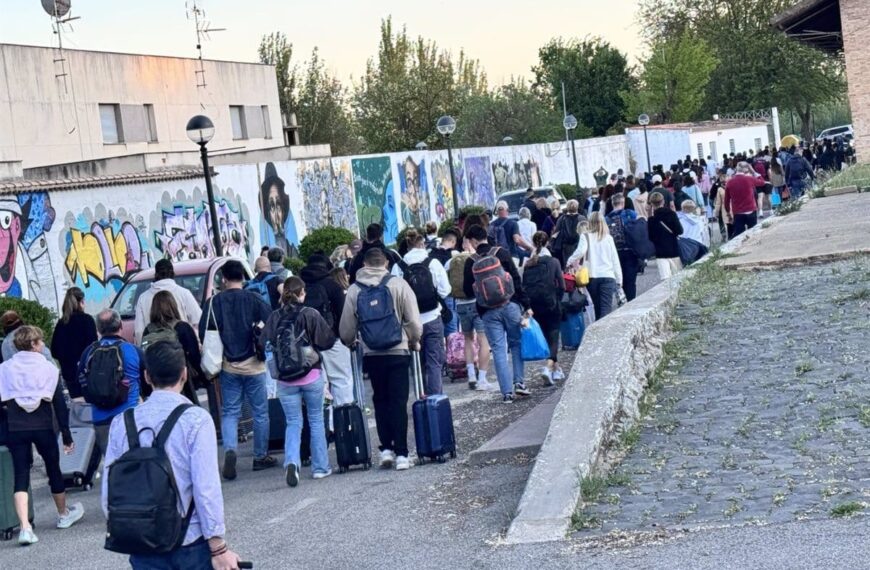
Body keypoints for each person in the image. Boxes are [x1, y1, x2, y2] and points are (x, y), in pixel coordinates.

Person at [102, 339, 242, 569]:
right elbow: (206, 488)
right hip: (189, 540)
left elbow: (110, 487)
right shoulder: (195, 420)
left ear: (147, 377)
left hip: (142, 541)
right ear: (184, 374)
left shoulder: (122, 423)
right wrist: (218, 547)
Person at [0, 326, 84, 545]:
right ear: (34, 344)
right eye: (41, 342)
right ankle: (63, 514)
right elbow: (59, 404)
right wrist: (66, 434)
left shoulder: (5, 368)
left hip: (16, 426)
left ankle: (25, 528)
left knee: (20, 474)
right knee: (53, 468)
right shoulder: (48, 368)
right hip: (43, 425)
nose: (43, 345)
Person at [339, 248, 422, 471]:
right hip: (398, 352)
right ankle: (402, 454)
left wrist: (350, 341)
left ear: (364, 264)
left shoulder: (355, 290)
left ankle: (386, 449)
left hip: (372, 354)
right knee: (398, 402)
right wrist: (414, 340)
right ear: (385, 263)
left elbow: (346, 328)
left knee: (381, 400)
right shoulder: (397, 284)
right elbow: (413, 320)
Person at [199, 260, 277, 480]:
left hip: (227, 366)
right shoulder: (253, 298)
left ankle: (231, 448)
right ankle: (260, 456)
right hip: (254, 364)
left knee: (230, 411)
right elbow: (271, 321)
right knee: (260, 412)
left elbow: (204, 331)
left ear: (223, 279)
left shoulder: (214, 302)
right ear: (243, 277)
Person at [260, 277, 336, 487]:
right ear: (302, 293)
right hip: (310, 375)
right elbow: (326, 340)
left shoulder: (274, 317)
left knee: (293, 423)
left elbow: (262, 343)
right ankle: (320, 468)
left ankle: (292, 461)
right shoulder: (309, 313)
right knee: (316, 420)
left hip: (285, 380)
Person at [462, 224, 531, 403]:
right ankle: (520, 383)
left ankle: (507, 393)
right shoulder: (502, 253)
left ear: (473, 241)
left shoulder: (471, 261)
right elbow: (515, 279)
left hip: (488, 312)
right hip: (510, 306)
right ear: (486, 235)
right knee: (515, 345)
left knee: (499, 350)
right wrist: (526, 304)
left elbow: (467, 290)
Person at [78, 309, 142, 481]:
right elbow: (147, 377)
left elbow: (81, 381)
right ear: (120, 326)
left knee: (113, 465)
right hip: (129, 416)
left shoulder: (88, 352)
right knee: (135, 463)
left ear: (98, 330)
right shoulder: (131, 350)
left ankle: (118, 499)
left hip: (100, 419)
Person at [399, 229, 450, 395]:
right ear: (422, 244)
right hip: (433, 317)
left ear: (407, 246)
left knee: (417, 364)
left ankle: (422, 398)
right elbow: (445, 290)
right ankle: (436, 401)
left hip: (410, 322)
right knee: (434, 362)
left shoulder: (399, 267)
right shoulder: (433, 263)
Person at [300, 254, 354, 406]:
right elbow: (344, 314)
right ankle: (344, 422)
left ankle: (321, 424)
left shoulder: (300, 285)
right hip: (332, 341)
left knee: (316, 384)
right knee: (341, 380)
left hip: (306, 343)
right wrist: (347, 338)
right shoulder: (332, 285)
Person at [449, 228, 493, 391]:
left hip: (460, 304)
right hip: (476, 302)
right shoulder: (474, 259)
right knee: (483, 340)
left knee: (467, 339)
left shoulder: (452, 261)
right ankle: (482, 378)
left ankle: (471, 375)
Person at [143, 291, 206, 406]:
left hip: (156, 380)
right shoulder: (182, 327)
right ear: (173, 306)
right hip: (181, 381)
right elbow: (195, 356)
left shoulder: (148, 330)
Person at [521, 232, 565, 386]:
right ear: (547, 244)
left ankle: (556, 370)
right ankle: (548, 367)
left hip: (534, 305)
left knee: (546, 336)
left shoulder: (528, 264)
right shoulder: (553, 262)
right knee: (554, 336)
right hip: (551, 303)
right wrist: (557, 299)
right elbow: (562, 286)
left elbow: (523, 286)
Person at [134, 258, 203, 345]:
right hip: (181, 349)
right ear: (173, 273)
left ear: (155, 274)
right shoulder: (184, 293)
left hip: (155, 351)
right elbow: (199, 320)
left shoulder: (143, 298)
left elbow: (139, 331)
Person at [568, 212, 622, 319]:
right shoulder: (608, 238)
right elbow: (615, 260)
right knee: (606, 309)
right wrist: (619, 280)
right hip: (608, 276)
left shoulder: (586, 236)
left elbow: (581, 251)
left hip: (592, 276)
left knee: (598, 308)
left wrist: (569, 261)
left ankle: (599, 331)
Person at [50, 288, 98, 400]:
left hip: (69, 373)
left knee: (77, 406)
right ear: (81, 302)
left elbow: (54, 351)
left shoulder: (61, 324)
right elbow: (93, 347)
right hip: (87, 373)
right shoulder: (87, 320)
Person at [605, 194, 641, 302]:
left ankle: (622, 299)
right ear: (623, 203)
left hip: (615, 253)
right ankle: (631, 301)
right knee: (630, 281)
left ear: (612, 204)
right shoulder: (630, 214)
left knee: (620, 279)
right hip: (630, 251)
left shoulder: (606, 219)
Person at [724, 162, 767, 237]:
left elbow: (726, 200)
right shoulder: (749, 179)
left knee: (739, 236)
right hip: (751, 209)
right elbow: (762, 182)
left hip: (738, 212)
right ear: (746, 170)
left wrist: (728, 212)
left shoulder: (729, 182)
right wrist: (753, 171)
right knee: (754, 234)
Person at [647, 192, 684, 279]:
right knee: (678, 278)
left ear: (652, 204)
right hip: (674, 249)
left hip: (661, 252)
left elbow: (651, 237)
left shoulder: (651, 220)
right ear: (663, 202)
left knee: (666, 280)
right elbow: (680, 231)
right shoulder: (672, 214)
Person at [490, 201, 532, 265]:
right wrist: (530, 247)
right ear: (507, 210)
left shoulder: (491, 225)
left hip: (497, 259)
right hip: (512, 256)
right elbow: (517, 240)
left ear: (497, 211)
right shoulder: (513, 223)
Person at [551, 199, 585, 268]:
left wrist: (552, 242)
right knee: (579, 266)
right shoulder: (582, 218)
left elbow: (556, 233)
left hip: (566, 246)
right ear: (577, 207)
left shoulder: (562, 219)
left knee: (567, 265)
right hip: (579, 245)